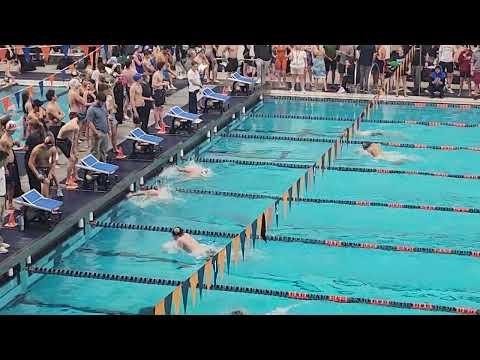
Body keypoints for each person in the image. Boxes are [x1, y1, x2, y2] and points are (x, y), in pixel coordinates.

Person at [0, 121, 21, 210]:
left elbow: (9, 149)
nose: (14, 132)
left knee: (12, 184)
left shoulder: (9, 136)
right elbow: (3, 156)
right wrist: (5, 168)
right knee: (7, 185)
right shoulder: (4, 140)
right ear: (8, 130)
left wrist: (15, 144)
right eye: (13, 131)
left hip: (12, 164)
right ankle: (6, 205)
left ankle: (10, 203)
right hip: (7, 165)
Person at [57, 112, 81, 187]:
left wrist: (75, 151)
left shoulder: (74, 121)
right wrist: (73, 151)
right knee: (72, 159)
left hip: (66, 139)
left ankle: (75, 176)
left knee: (75, 157)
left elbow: (72, 138)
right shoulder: (76, 126)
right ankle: (67, 180)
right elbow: (75, 140)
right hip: (60, 141)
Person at [85, 92, 109, 162]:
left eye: (103, 102)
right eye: (101, 102)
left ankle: (102, 166)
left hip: (105, 132)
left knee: (103, 151)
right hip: (97, 132)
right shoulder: (91, 109)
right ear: (97, 100)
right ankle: (92, 170)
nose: (102, 104)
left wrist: (108, 129)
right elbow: (89, 122)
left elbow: (105, 117)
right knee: (95, 152)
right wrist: (96, 132)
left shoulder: (103, 106)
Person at [24, 119, 45, 193]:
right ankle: (39, 192)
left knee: (32, 178)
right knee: (37, 177)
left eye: (28, 125)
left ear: (31, 126)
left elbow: (26, 148)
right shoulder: (42, 134)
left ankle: (34, 194)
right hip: (39, 158)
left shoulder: (31, 137)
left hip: (30, 158)